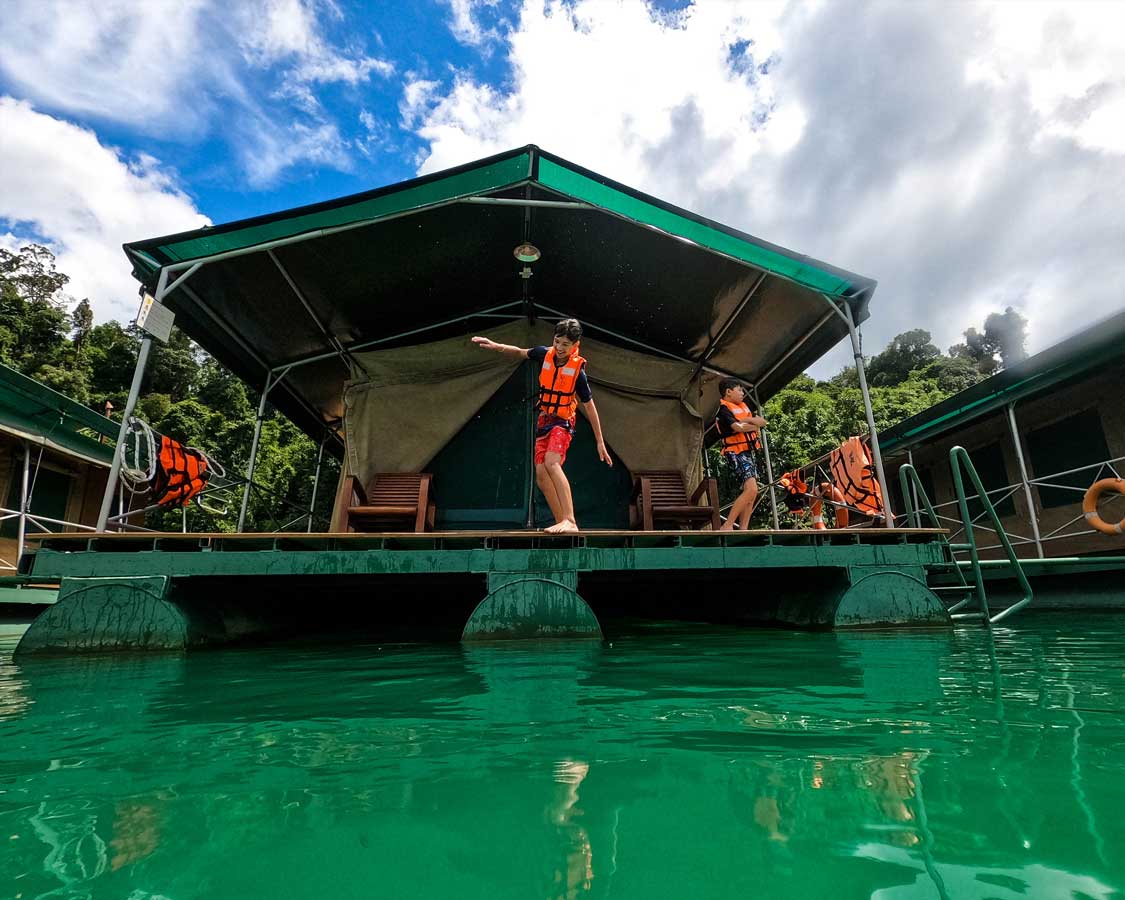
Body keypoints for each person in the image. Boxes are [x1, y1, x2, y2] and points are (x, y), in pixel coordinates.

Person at [472, 319, 612, 533]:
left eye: (566, 344)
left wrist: (600, 441)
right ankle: (561, 522)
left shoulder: (577, 372)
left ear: (575, 345)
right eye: (557, 341)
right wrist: (497, 346)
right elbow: (520, 352)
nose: (560, 347)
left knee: (552, 462)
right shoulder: (543, 354)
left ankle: (570, 521)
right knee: (542, 475)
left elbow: (590, 407)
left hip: (563, 421)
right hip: (545, 420)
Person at [715, 378, 768, 531]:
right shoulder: (724, 410)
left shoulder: (744, 407)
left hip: (748, 451)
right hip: (735, 452)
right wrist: (753, 425)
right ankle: (728, 525)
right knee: (752, 489)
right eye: (739, 390)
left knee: (751, 493)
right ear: (728, 392)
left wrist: (750, 421)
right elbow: (737, 427)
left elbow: (762, 422)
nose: (743, 393)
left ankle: (743, 528)